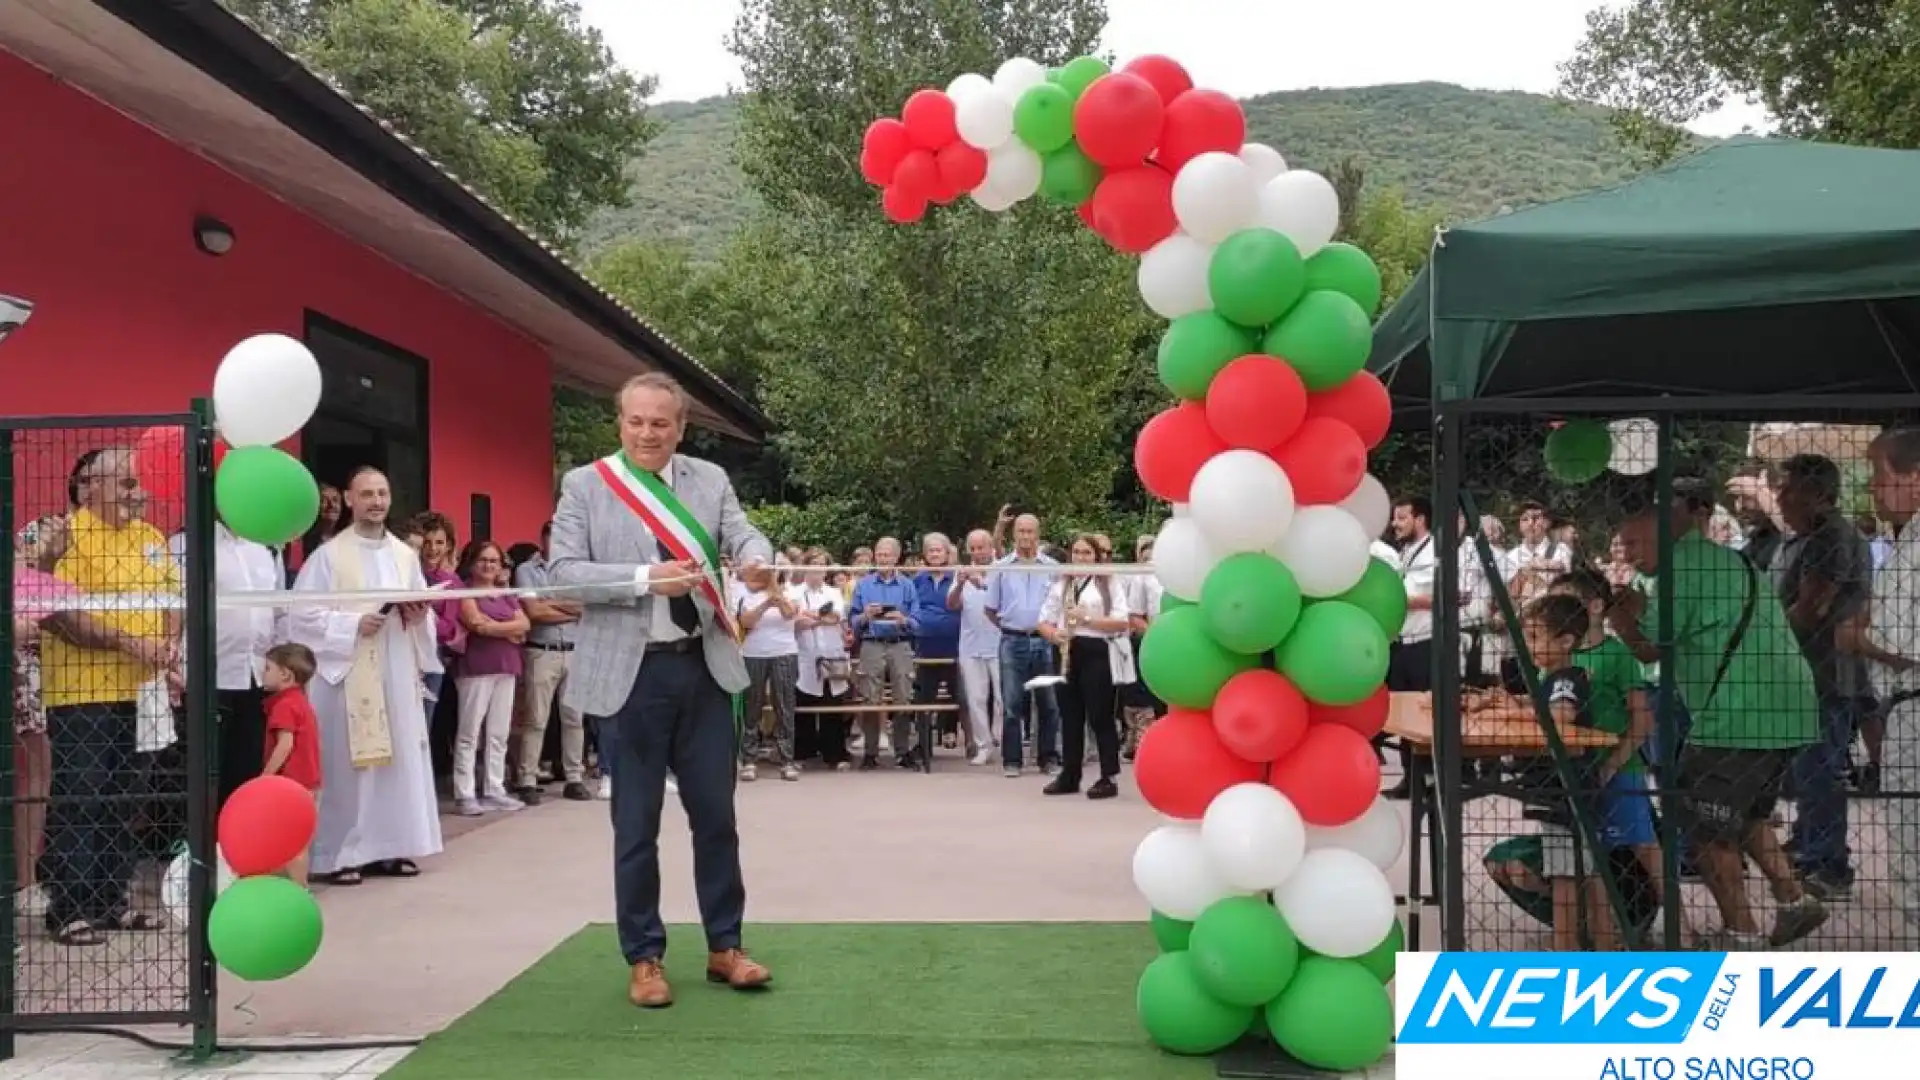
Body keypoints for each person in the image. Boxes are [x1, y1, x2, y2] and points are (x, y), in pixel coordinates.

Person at [547, 371, 774, 1009]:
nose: (648, 433)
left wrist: (757, 557)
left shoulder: (710, 480)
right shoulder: (586, 486)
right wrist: (646, 578)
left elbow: (743, 534)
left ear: (681, 427)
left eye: (661, 423)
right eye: (636, 422)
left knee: (717, 818)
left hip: (703, 670)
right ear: (620, 423)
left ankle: (725, 946)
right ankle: (644, 958)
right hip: (629, 676)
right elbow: (560, 577)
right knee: (635, 826)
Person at [1608, 478, 1827, 948]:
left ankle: (1739, 936)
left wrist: (1619, 613)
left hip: (1738, 712)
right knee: (1741, 812)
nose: (1625, 553)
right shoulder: (1723, 559)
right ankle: (1793, 902)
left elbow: (1646, 648)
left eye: (1632, 543)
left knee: (1703, 825)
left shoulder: (1679, 571)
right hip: (1786, 706)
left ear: (1661, 536)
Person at [37, 448, 179, 944]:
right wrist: (127, 641)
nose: (137, 494)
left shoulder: (152, 539)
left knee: (127, 798)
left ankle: (110, 901)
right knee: (82, 797)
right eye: (125, 484)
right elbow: (60, 615)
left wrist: (170, 646)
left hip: (143, 689)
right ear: (86, 486)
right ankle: (69, 907)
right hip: (82, 691)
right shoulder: (63, 537)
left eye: (137, 483)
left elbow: (170, 599)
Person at [285, 467, 444, 886]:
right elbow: (300, 618)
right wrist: (351, 625)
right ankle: (340, 853)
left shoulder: (404, 555)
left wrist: (417, 614)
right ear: (350, 500)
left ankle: (389, 848)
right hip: (347, 673)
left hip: (393, 667)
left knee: (396, 761)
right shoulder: (327, 557)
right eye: (367, 494)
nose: (376, 501)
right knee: (349, 768)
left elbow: (420, 612)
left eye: (383, 493)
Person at [1037, 533, 1133, 800]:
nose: (1081, 558)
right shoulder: (1062, 582)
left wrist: (1086, 618)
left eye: (1087, 553)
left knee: (1100, 715)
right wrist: (1054, 635)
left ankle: (1108, 776)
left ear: (1097, 556)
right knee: (1070, 716)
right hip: (1068, 650)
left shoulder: (1107, 581)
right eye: (1077, 553)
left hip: (1097, 651)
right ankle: (1070, 774)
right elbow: (1044, 620)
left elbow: (1121, 621)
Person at [453, 540, 530, 816]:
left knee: (498, 733)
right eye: (483, 560)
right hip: (477, 668)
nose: (488, 566)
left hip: (506, 666)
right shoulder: (464, 592)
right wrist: (508, 630)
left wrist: (498, 627)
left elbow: (525, 624)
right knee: (469, 733)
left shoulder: (506, 593)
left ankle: (494, 789)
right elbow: (476, 624)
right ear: (472, 563)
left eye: (494, 561)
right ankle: (465, 793)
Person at [259, 643, 323, 886]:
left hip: (291, 783)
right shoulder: (301, 702)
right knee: (300, 842)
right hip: (309, 781)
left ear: (285, 674)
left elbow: (285, 745)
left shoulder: (284, 706)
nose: (263, 673)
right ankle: (297, 887)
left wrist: (265, 777)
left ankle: (298, 889)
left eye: (268, 668)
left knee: (291, 843)